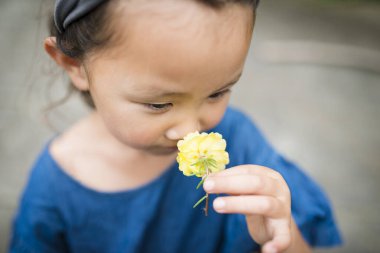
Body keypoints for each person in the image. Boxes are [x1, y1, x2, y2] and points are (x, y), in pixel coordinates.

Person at [9, 0, 342, 252]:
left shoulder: (240, 143)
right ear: (74, 66)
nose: (191, 130)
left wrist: (284, 240)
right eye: (158, 104)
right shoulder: (54, 187)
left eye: (218, 92)